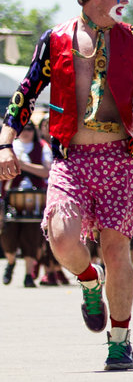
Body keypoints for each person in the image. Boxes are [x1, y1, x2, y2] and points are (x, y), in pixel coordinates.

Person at [0, 0, 133, 370]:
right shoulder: (55, 40)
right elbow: (26, 94)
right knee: (61, 238)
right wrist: (5, 143)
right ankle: (88, 281)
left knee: (117, 250)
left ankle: (120, 341)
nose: (126, 1)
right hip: (72, 159)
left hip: (121, 160)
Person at [2, 122, 52, 288]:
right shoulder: (10, 146)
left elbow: (47, 171)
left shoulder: (42, 146)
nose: (26, 132)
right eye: (23, 129)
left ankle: (28, 275)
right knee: (9, 236)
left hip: (35, 197)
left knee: (32, 237)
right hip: (12, 196)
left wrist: (23, 166)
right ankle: (10, 262)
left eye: (30, 129)